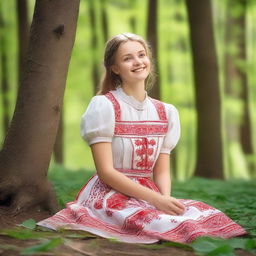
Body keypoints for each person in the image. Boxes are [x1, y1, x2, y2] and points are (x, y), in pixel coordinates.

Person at [37, 33, 246, 244]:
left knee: (204, 215)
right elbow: (106, 172)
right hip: (110, 193)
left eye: (141, 55)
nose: (138, 62)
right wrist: (155, 200)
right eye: (128, 58)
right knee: (152, 221)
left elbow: (161, 170)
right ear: (115, 68)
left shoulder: (166, 112)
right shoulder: (104, 106)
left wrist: (164, 201)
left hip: (150, 194)